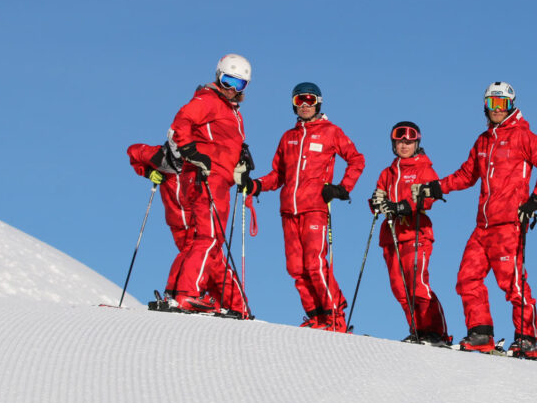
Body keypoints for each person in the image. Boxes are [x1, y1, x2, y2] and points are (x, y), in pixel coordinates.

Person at [418, 82, 537, 358]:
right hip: (483, 225)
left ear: (511, 105)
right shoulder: (483, 140)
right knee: (467, 278)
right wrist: (437, 187)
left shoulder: (524, 136)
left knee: (512, 283)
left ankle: (527, 337)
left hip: (509, 223)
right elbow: (467, 175)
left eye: (501, 103)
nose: (496, 109)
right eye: (492, 103)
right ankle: (481, 332)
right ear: (485, 105)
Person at [238, 82, 364, 332]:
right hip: (289, 210)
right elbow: (278, 175)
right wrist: (254, 186)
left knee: (315, 264)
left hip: (315, 207)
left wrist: (341, 188)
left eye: (309, 100)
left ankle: (335, 317)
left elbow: (357, 159)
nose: (305, 105)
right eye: (299, 101)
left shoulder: (331, 131)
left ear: (318, 102)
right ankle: (316, 316)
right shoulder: (289, 137)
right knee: (296, 268)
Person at [160, 54, 251, 316]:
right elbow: (182, 121)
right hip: (205, 176)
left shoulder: (232, 112)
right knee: (208, 238)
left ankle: (176, 292)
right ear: (218, 75)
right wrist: (190, 150)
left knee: (203, 239)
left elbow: (223, 143)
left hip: (219, 178)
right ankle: (188, 293)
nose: (232, 89)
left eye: (239, 84)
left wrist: (241, 162)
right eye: (228, 80)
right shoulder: (209, 101)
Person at [369, 121, 450, 345]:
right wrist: (377, 204)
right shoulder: (388, 172)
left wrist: (403, 206)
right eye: (400, 141)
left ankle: (435, 332)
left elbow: (430, 198)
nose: (404, 145)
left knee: (417, 285)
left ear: (416, 143)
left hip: (416, 233)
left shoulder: (424, 168)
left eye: (409, 141)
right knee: (400, 289)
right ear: (393, 144)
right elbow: (379, 195)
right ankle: (417, 331)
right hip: (391, 237)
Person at [126, 142, 194, 251]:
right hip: (177, 221)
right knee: (190, 256)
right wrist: (148, 172)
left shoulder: (200, 162)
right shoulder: (160, 157)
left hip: (199, 221)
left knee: (203, 256)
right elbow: (134, 152)